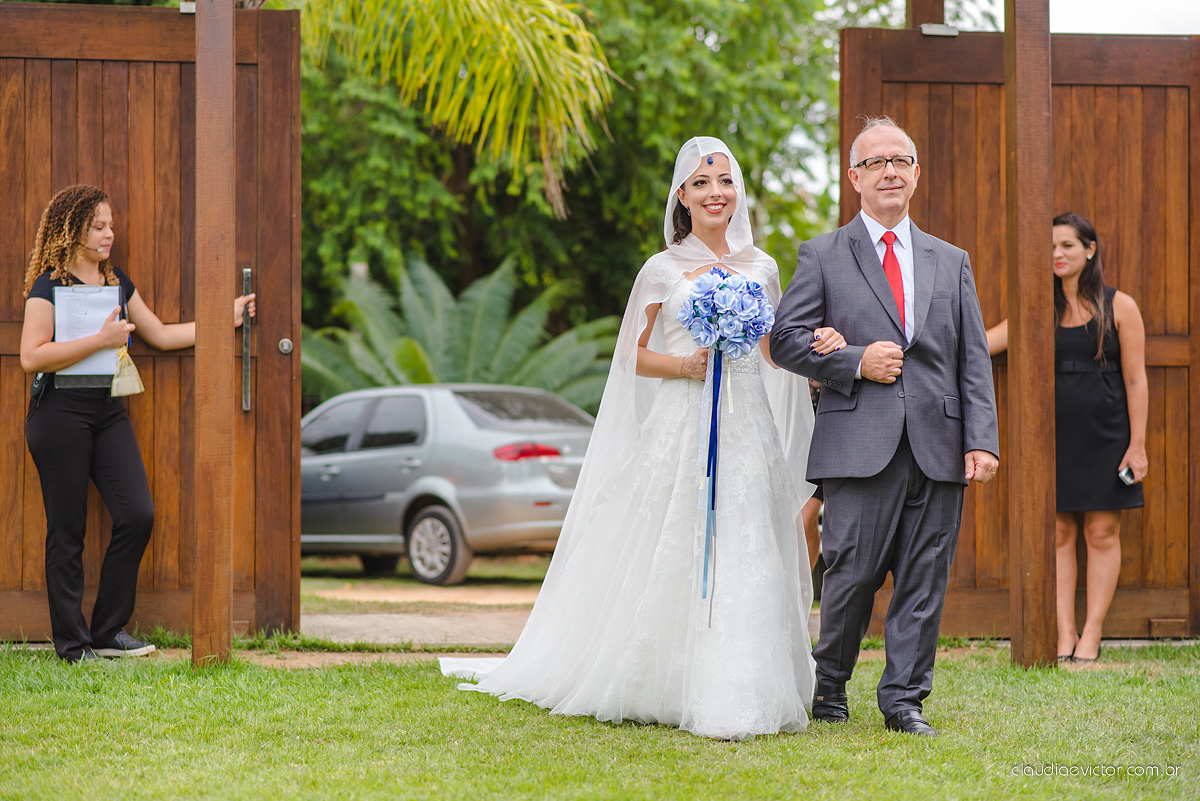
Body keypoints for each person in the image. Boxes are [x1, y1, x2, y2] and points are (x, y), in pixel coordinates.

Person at [441, 137, 846, 740]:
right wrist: (684, 367)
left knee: (748, 538)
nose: (715, 193)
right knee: (673, 535)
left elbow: (771, 352)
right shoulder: (661, 270)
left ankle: (745, 680)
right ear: (682, 196)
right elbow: (631, 358)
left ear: (738, 194)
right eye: (701, 184)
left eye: (725, 182)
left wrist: (819, 344)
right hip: (682, 424)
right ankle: (662, 676)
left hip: (747, 424)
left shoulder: (761, 267)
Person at [769, 116, 999, 737]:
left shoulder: (950, 261)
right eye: (876, 163)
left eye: (901, 160)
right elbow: (785, 342)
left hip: (940, 446)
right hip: (857, 442)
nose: (890, 171)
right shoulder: (821, 254)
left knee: (925, 576)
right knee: (850, 574)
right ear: (855, 178)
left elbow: (971, 358)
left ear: (917, 174)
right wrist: (852, 361)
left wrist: (982, 439)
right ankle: (830, 689)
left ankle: (904, 701)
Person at [20, 184, 255, 664]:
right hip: (59, 414)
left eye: (111, 225)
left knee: (137, 515)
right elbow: (31, 356)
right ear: (73, 231)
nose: (110, 234)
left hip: (108, 412)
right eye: (99, 227)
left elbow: (163, 335)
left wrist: (223, 317)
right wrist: (101, 339)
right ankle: (72, 645)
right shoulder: (50, 285)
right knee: (67, 533)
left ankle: (107, 630)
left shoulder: (116, 282)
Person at [985, 212, 1146, 664]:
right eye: (1050, 247)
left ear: (1090, 250)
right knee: (1056, 531)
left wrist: (1138, 445)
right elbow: (983, 342)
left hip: (1108, 435)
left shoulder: (1120, 307)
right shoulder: (1037, 307)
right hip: (1052, 438)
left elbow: (1136, 381)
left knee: (1101, 531)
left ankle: (1092, 635)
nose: (1057, 254)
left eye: (1067, 246)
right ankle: (1063, 634)